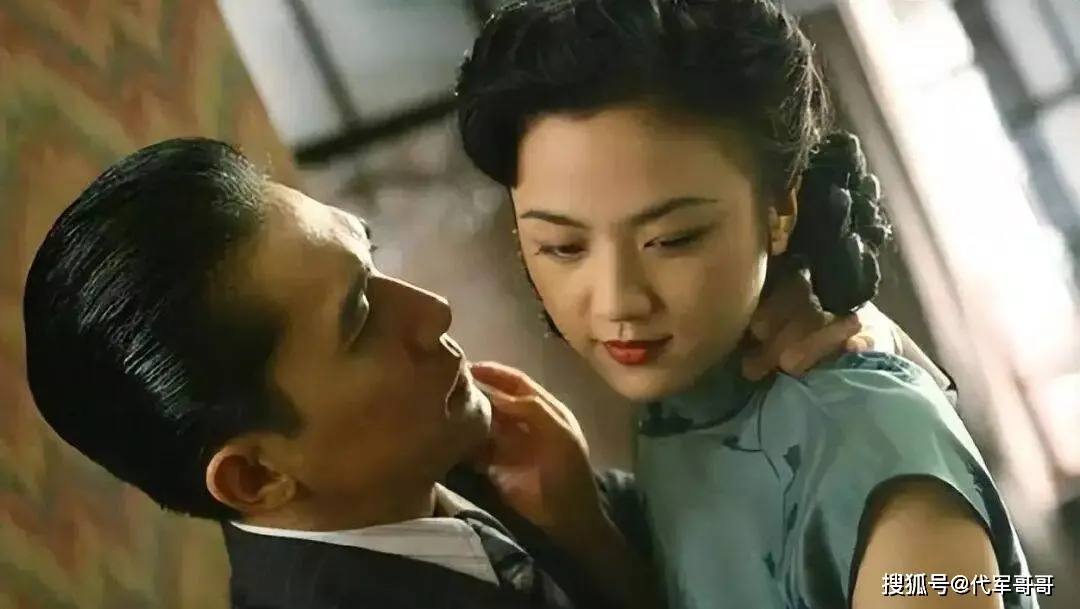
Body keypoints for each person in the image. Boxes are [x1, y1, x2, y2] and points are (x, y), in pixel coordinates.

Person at [23, 138, 891, 609]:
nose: (432, 312)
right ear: (255, 475)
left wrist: (587, 527)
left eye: (372, 260)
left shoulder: (463, 463)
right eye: (359, 318)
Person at [455, 1, 1035, 608]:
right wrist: (586, 527)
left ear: (780, 209)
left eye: (673, 239)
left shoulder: (871, 455)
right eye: (562, 246)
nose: (619, 300)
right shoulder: (679, 407)